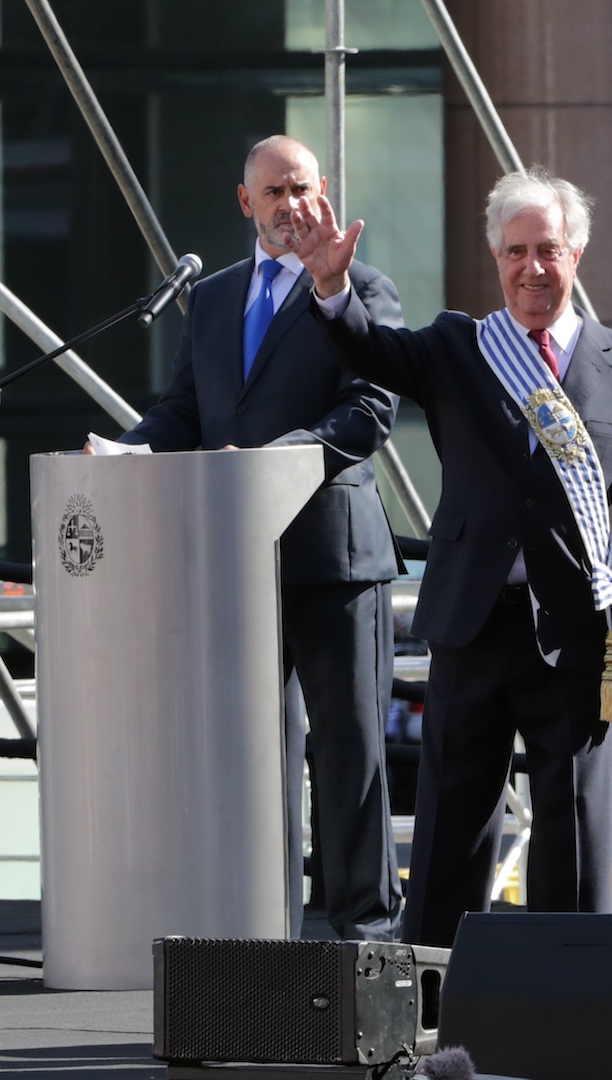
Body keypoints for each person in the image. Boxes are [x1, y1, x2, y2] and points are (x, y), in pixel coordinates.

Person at [288, 167, 612, 946]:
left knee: (577, 824)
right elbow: (370, 348)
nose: (531, 268)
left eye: (547, 249)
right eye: (515, 251)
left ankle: (568, 991)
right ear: (495, 258)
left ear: (576, 254)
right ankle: (435, 990)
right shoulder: (457, 346)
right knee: (451, 822)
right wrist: (332, 286)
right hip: (472, 621)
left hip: (579, 633)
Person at [112, 134, 404, 941]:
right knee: (243, 753)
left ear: (324, 194)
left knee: (346, 752)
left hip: (332, 559)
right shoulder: (211, 298)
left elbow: (369, 410)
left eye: (302, 188)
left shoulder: (362, 289)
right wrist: (124, 452)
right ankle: (251, 930)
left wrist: (270, 463)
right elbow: (183, 411)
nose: (290, 206)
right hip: (231, 562)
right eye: (273, 193)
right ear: (246, 203)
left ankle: (364, 935)